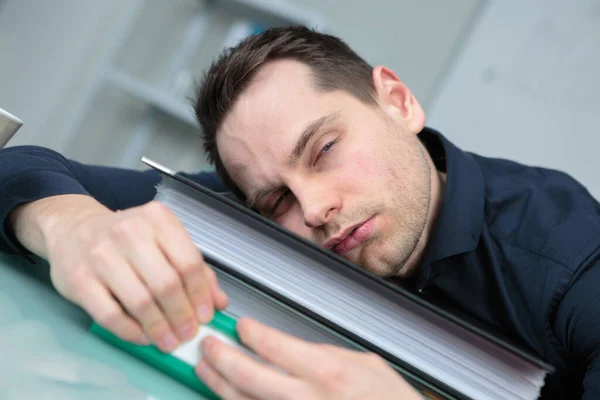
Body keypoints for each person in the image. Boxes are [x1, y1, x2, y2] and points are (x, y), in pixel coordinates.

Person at [1, 26, 599, 400]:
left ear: (397, 102)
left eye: (325, 150)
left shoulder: (576, 262)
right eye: (275, 199)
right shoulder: (269, 219)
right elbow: (21, 165)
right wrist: (71, 225)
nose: (313, 210)